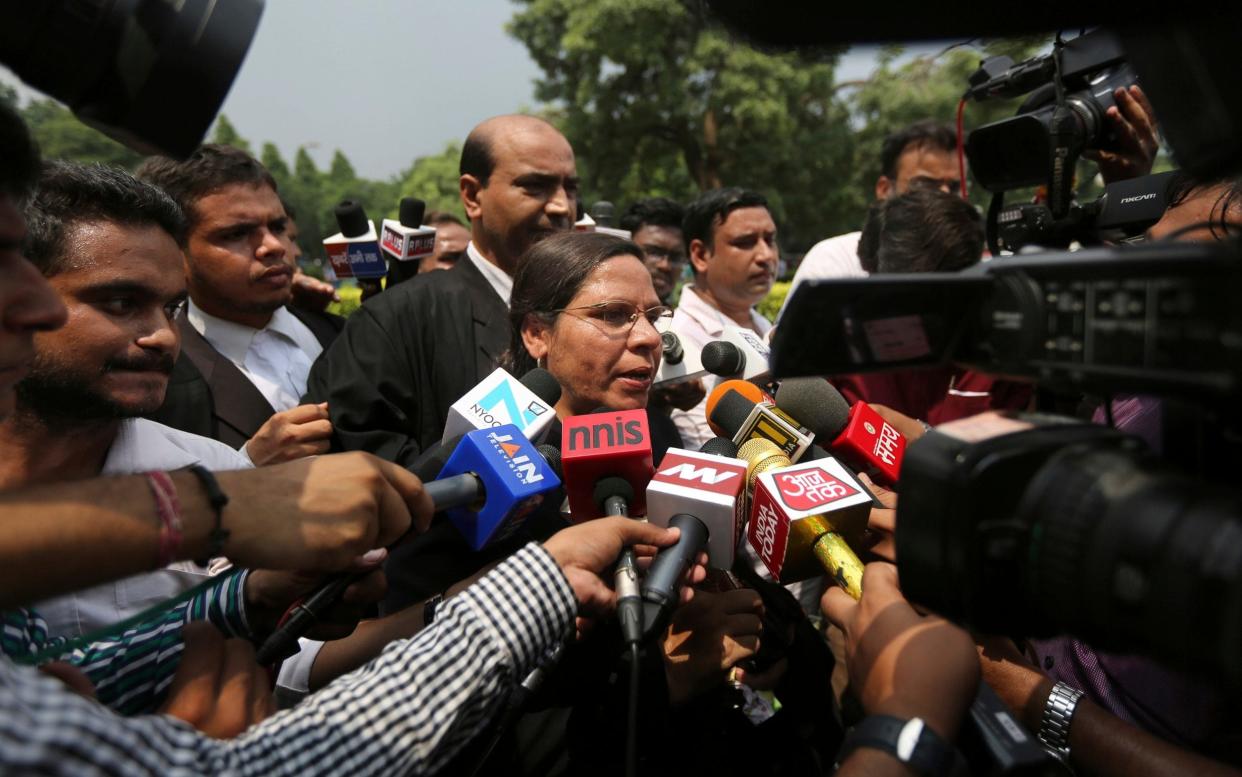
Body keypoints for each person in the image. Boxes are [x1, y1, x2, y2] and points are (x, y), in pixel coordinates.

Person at [304, 114, 578, 465]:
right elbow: (371, 477)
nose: (561, 206)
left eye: (570, 188)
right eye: (534, 186)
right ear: (472, 195)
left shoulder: (595, 312)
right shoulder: (392, 320)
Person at [138, 145, 343, 466]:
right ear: (175, 252)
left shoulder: (341, 333)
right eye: (236, 234)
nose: (274, 246)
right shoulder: (155, 381)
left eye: (278, 227)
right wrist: (244, 467)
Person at [833, 189, 1033, 424]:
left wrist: (922, 440)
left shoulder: (1007, 359)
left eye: (928, 302)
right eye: (895, 300)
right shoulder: (840, 355)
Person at [666, 187, 778, 450]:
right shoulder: (675, 341)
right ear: (700, 255)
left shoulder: (764, 326)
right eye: (745, 242)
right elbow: (706, 449)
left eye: (770, 239)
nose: (766, 256)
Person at [618, 197, 687, 305]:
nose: (665, 266)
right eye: (654, 252)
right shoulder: (596, 314)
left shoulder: (679, 320)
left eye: (676, 257)